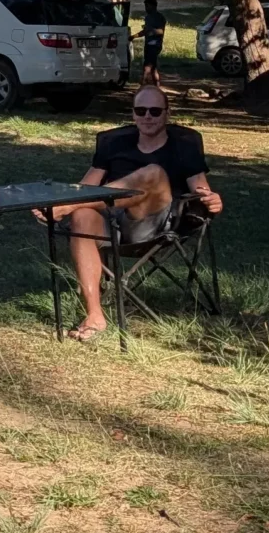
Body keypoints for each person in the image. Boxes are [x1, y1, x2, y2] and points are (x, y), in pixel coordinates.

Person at [59, 82, 223, 340]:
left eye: (155, 111)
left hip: (157, 223)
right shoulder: (114, 144)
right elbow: (86, 186)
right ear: (133, 114)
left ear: (167, 114)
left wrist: (213, 201)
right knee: (81, 215)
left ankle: (68, 207)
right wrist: (70, 199)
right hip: (113, 224)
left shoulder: (183, 147)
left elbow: (202, 192)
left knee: (153, 173)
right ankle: (94, 315)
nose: (148, 116)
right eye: (142, 110)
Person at [140, 0, 168, 81]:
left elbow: (160, 31)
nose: (146, 9)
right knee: (153, 69)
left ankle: (142, 86)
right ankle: (157, 87)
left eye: (147, 6)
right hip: (148, 44)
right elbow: (145, 31)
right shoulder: (148, 17)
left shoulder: (159, 17)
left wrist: (151, 30)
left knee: (147, 67)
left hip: (155, 45)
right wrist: (133, 36)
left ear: (153, 6)